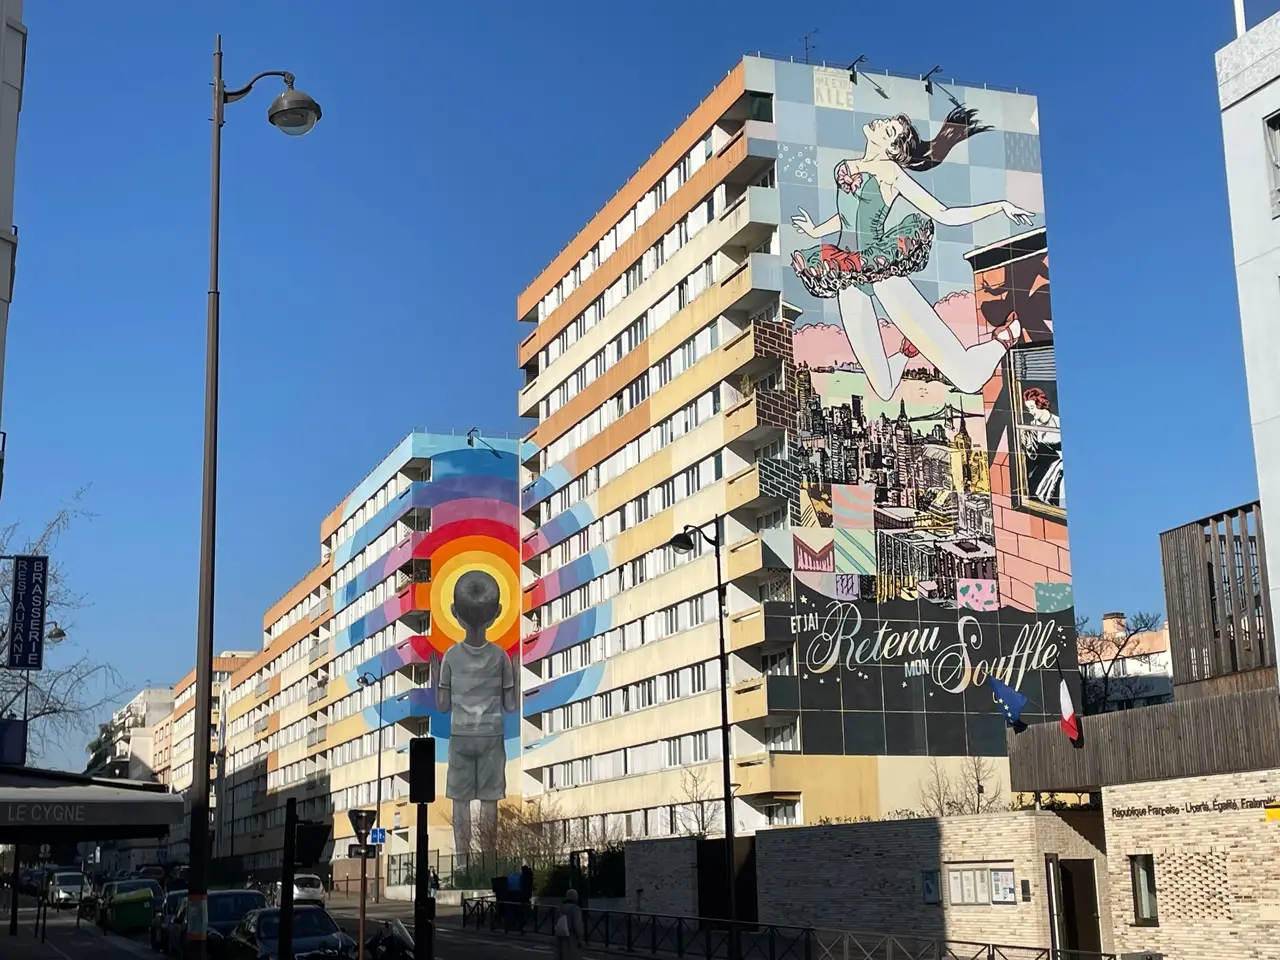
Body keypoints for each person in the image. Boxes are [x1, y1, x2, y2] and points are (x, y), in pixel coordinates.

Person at [791, 106, 1035, 401]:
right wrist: (816, 231)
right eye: (888, 122)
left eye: (890, 130)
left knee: (967, 378)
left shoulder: (890, 173)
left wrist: (999, 206)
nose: (881, 122)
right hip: (845, 272)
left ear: (892, 147)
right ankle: (908, 351)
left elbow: (943, 213)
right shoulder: (845, 166)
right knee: (883, 389)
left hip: (880, 267)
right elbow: (846, 216)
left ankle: (1004, 338)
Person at [436, 570, 517, 857]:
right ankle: (488, 860)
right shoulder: (500, 656)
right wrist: (516, 674)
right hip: (492, 735)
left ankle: (462, 861)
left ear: (454, 612)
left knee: (460, 800)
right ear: (497, 613)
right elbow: (510, 707)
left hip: (460, 734)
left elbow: (443, 706)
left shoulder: (450, 656)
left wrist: (437, 676)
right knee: (489, 800)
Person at [554, 888, 584, 959]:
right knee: (570, 955)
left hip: (560, 936)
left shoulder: (561, 908)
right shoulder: (575, 909)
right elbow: (577, 924)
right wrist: (580, 937)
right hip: (571, 937)